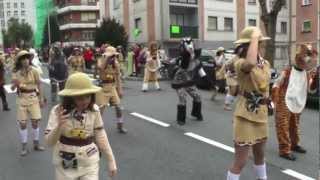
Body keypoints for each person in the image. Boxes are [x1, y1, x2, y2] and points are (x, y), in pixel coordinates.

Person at [44, 73, 117, 180]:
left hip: (89, 161)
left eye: (87, 96)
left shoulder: (94, 110)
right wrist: (59, 126)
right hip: (65, 163)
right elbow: (48, 142)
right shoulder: (57, 111)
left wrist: (111, 161)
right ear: (70, 97)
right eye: (79, 98)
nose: (85, 101)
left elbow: (100, 135)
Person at [227, 27, 271, 180]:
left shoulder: (266, 64)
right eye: (260, 44)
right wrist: (254, 37)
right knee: (241, 160)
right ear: (250, 46)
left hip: (261, 115)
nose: (262, 47)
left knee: (260, 154)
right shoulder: (240, 63)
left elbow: (265, 88)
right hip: (245, 116)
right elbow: (251, 62)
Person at [272, 44, 318, 161]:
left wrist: (316, 80)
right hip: (284, 100)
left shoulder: (306, 74)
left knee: (295, 124)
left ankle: (294, 144)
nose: (307, 62)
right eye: (305, 58)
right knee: (283, 125)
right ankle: (284, 149)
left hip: (298, 101)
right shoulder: (287, 71)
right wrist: (275, 99)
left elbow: (311, 90)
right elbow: (277, 83)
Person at [11, 50, 46, 156]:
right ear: (20, 61)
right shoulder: (16, 73)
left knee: (35, 122)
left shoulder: (34, 71)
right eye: (23, 59)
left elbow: (39, 85)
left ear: (29, 59)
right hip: (22, 99)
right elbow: (12, 88)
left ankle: (36, 144)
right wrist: (15, 85)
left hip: (33, 98)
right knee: (22, 124)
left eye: (27, 58)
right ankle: (24, 147)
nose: (25, 60)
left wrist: (41, 99)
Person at [171, 37, 207, 125]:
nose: (190, 47)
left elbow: (201, 72)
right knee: (183, 99)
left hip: (189, 81)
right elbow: (183, 65)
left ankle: (196, 113)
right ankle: (181, 119)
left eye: (192, 45)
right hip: (179, 82)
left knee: (197, 96)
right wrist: (188, 55)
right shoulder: (182, 59)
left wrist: (209, 82)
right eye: (188, 45)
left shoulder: (196, 60)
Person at [95, 46, 127, 133]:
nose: (113, 57)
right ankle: (97, 129)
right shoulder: (100, 60)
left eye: (113, 55)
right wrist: (107, 58)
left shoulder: (115, 63)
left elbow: (118, 77)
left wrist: (119, 89)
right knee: (100, 110)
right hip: (103, 87)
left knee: (118, 107)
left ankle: (120, 126)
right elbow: (101, 68)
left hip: (112, 87)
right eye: (112, 55)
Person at [223, 46, 241, 111]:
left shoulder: (242, 58)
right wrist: (231, 70)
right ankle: (226, 105)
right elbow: (226, 64)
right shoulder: (234, 57)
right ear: (238, 51)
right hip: (231, 76)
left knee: (235, 91)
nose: (241, 51)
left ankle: (228, 103)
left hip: (237, 77)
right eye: (240, 50)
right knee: (232, 91)